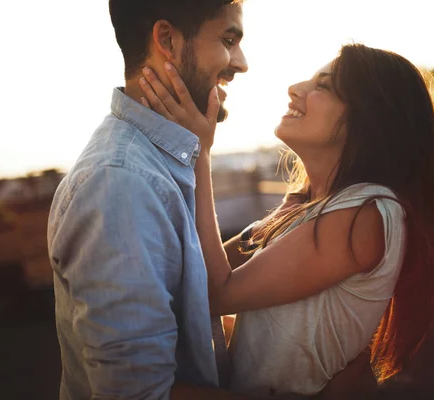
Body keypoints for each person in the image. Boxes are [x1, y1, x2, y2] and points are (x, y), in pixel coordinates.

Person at [49, 0, 375, 398]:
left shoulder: (158, 164)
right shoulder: (121, 183)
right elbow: (138, 393)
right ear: (167, 39)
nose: (240, 63)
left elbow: (196, 316)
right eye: (228, 39)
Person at [138, 43, 434, 397]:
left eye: (323, 86)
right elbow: (199, 270)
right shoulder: (313, 207)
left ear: (368, 119)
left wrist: (197, 149)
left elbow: (215, 291)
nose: (296, 89)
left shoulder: (367, 214)